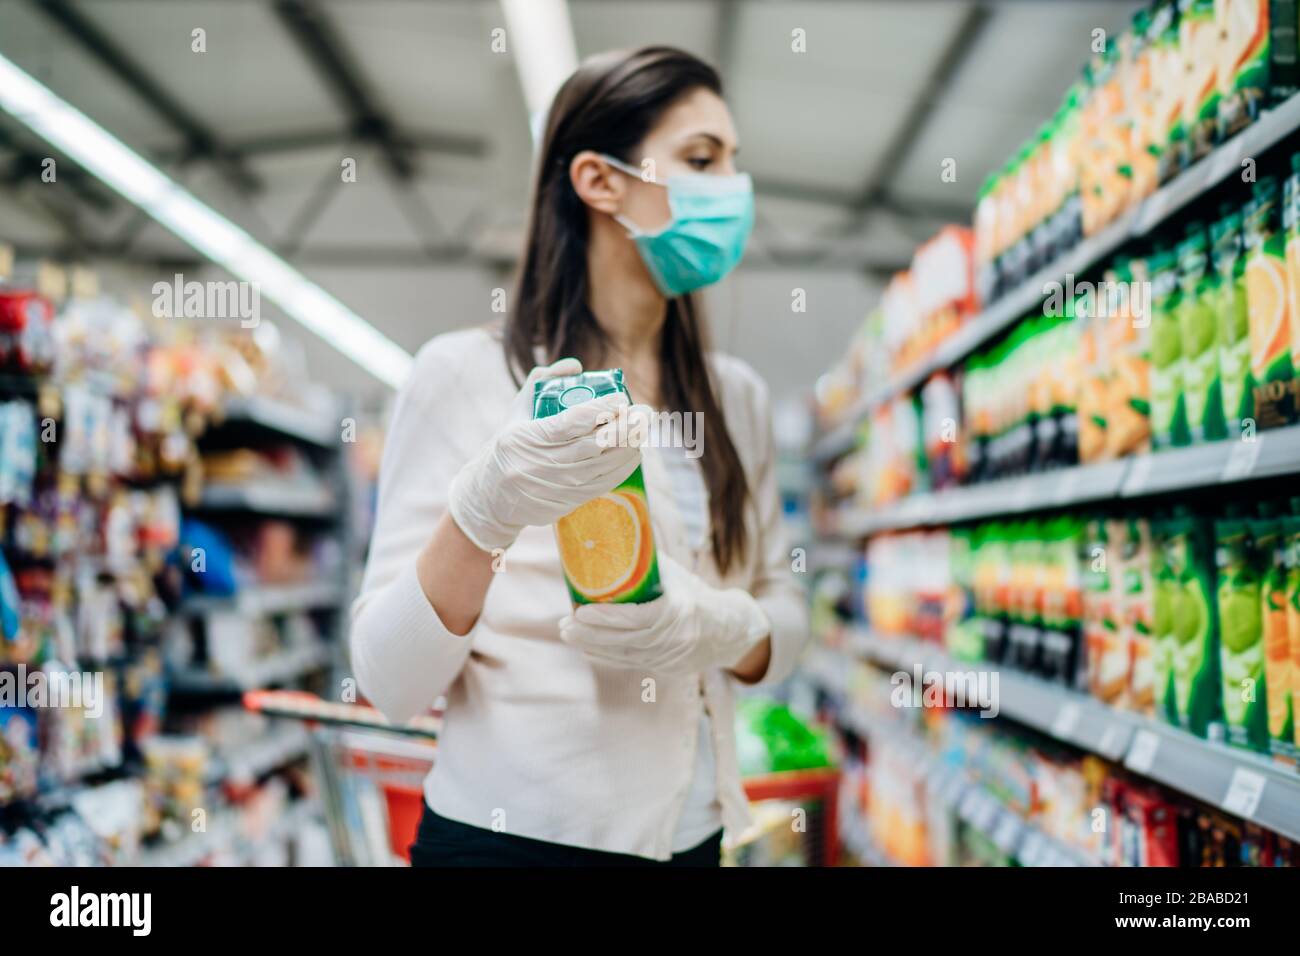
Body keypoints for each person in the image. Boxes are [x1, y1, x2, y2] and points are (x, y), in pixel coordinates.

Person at [350, 45, 808, 867]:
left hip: (696, 836)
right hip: (511, 844)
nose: (733, 190)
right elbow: (389, 682)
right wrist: (484, 510)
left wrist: (724, 625)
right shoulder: (461, 377)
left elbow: (784, 609)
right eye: (702, 160)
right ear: (601, 181)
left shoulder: (734, 399)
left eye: (735, 163)